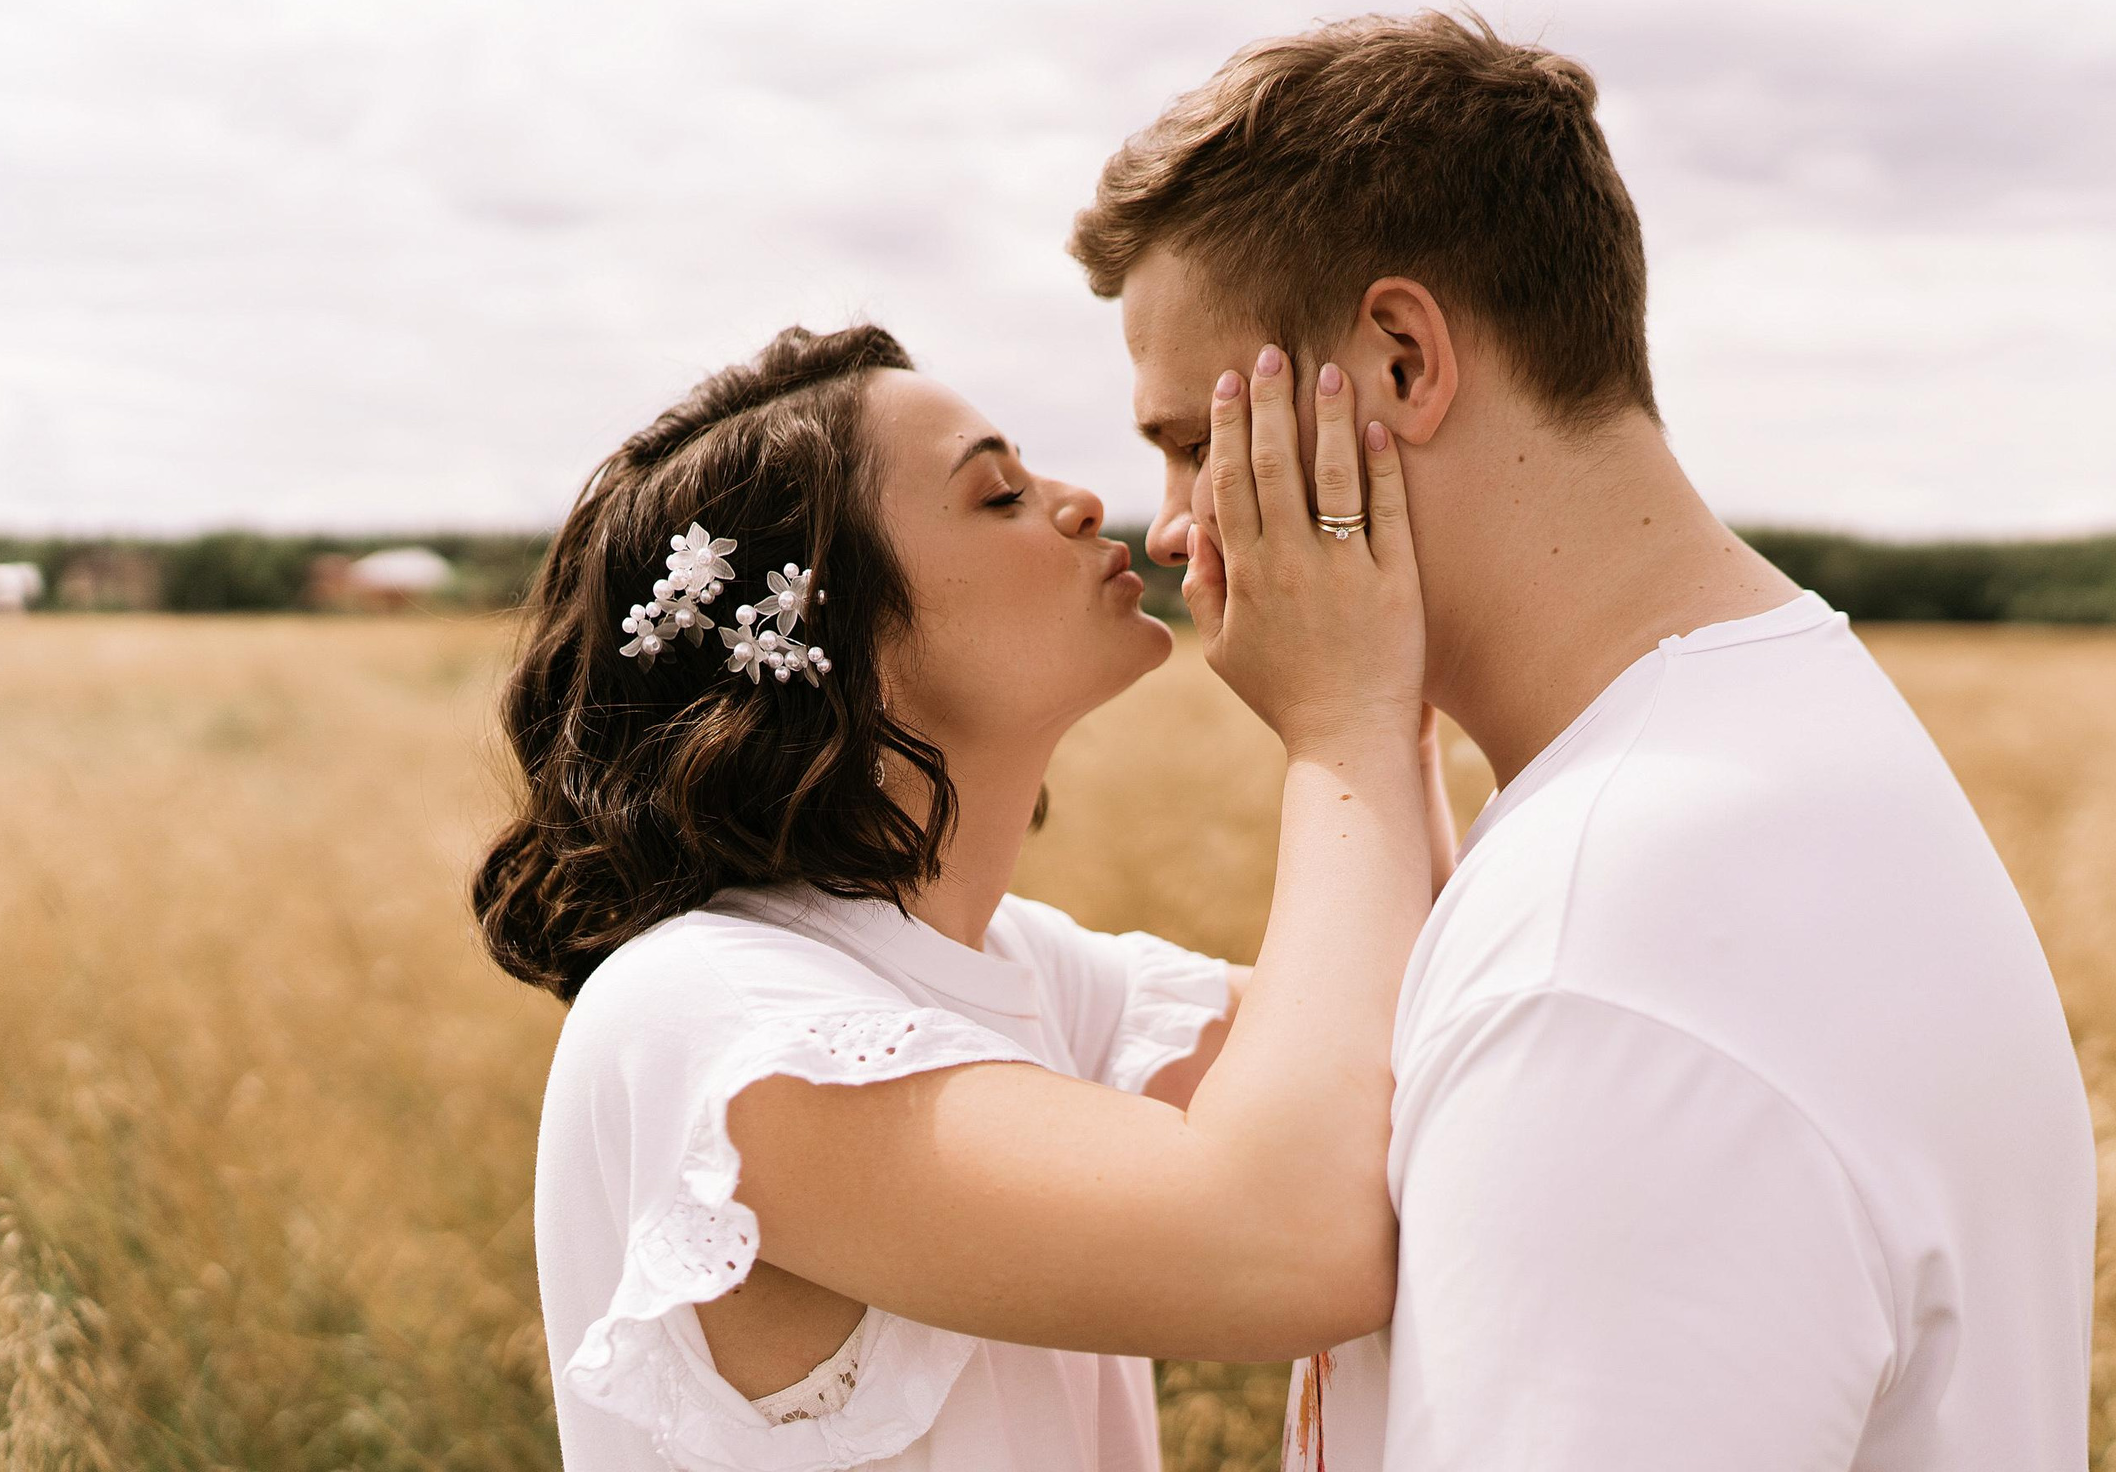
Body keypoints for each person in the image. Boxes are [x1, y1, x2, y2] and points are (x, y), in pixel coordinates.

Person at [1074, 10, 2100, 1471]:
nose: (1171, 525)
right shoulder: (1775, 732)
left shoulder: (1604, 945)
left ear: (1403, 359)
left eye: (1190, 439)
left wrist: (1342, 735)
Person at [475, 324, 1441, 1471]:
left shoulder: (1012, 967)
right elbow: (1297, 1247)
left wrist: (1400, 699)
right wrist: (1342, 721)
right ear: (844, 637)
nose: (1082, 502)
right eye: (998, 495)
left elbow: (1422, 1053)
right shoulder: (721, 1018)